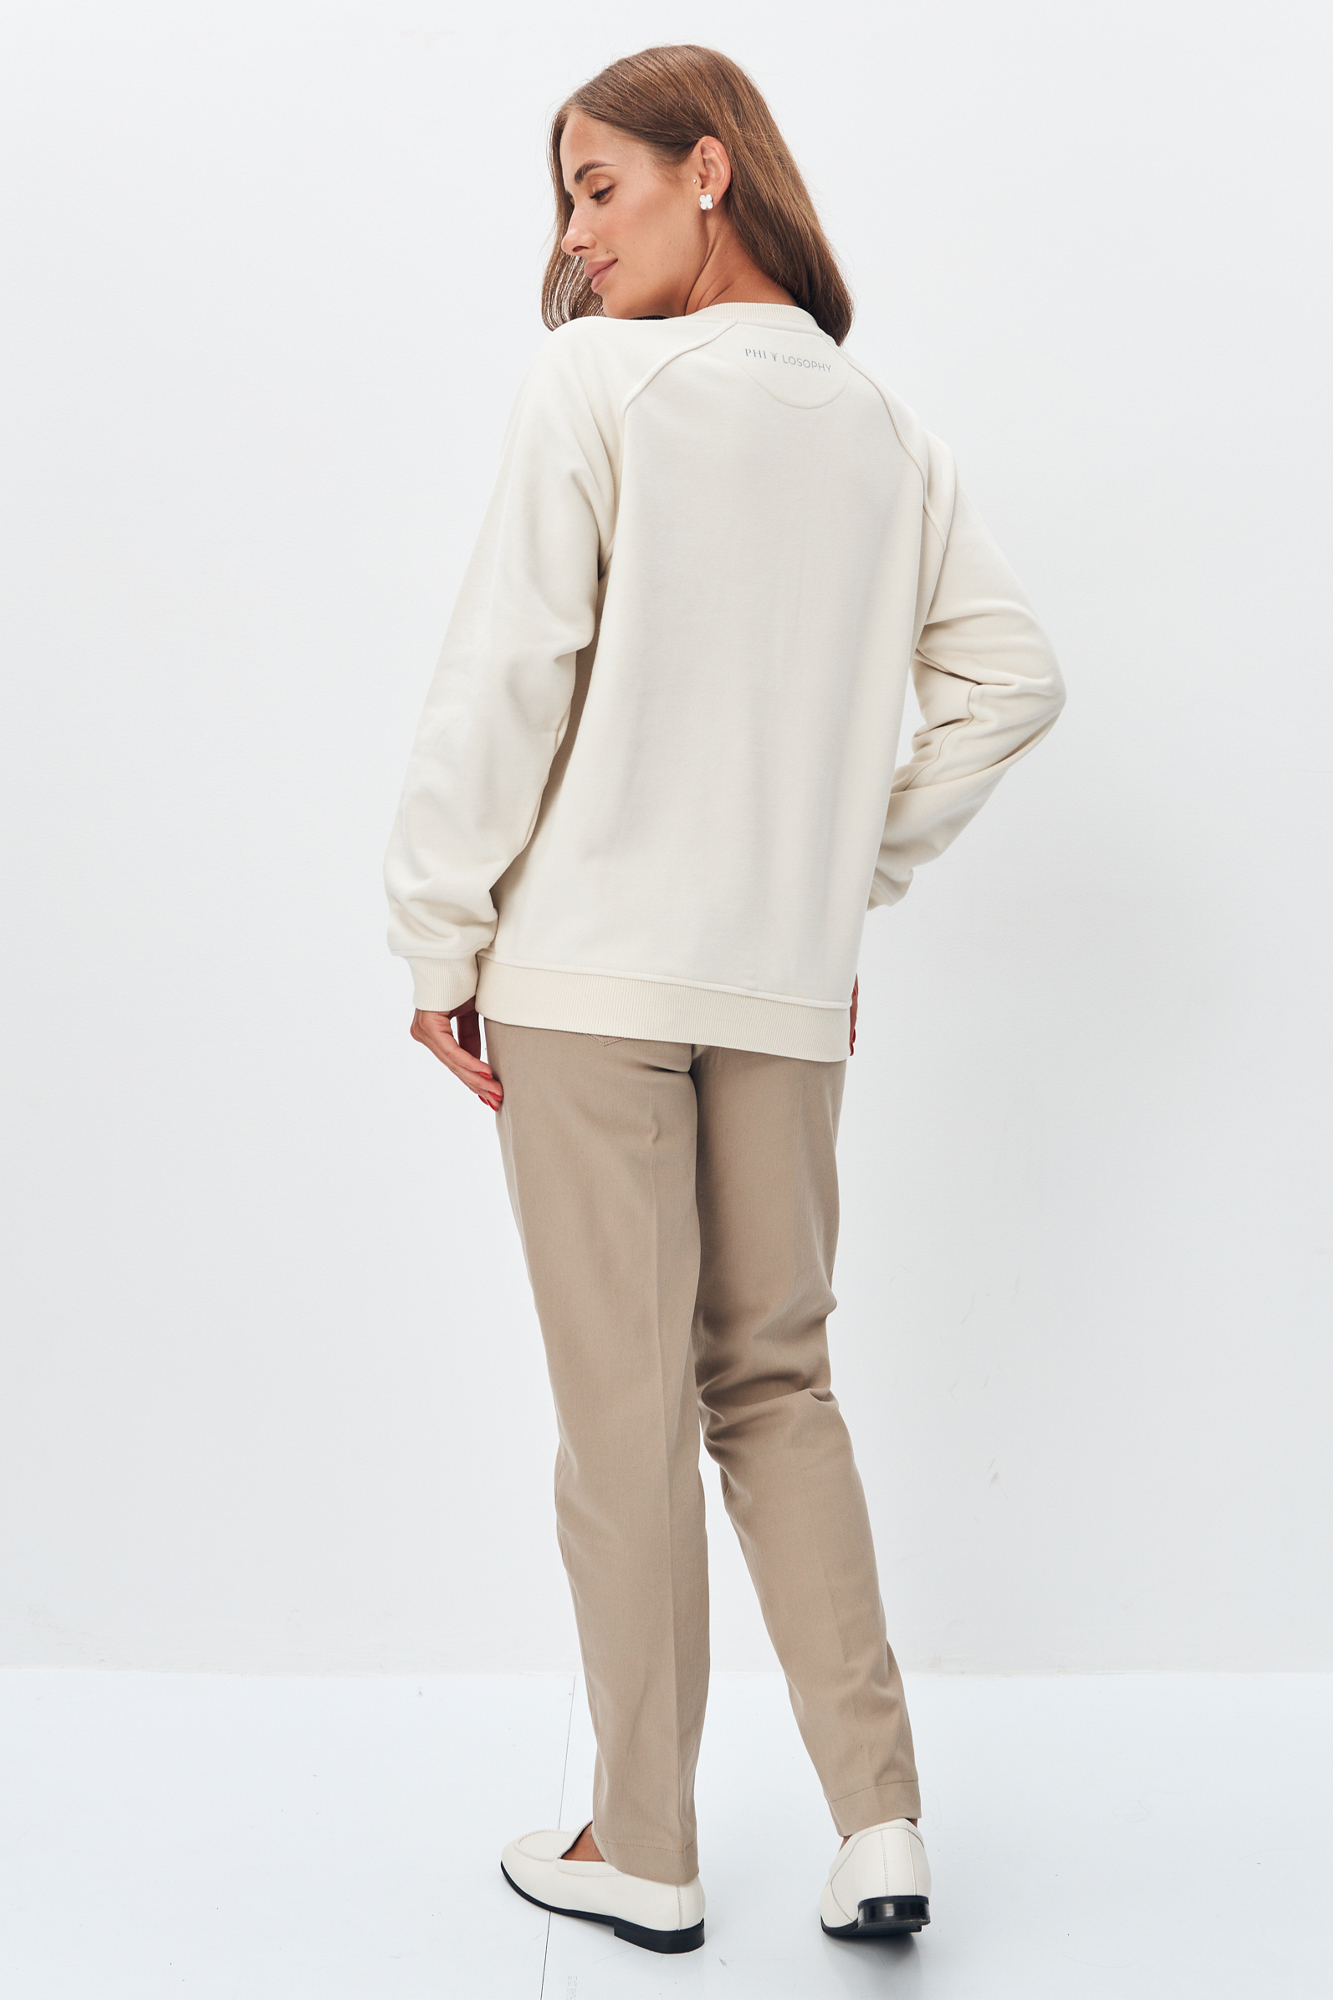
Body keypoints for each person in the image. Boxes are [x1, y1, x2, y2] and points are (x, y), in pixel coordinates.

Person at [384, 42, 1064, 1955]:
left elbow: (507, 670)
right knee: (777, 1388)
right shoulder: (888, 433)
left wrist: (435, 933)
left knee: (625, 1414)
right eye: (563, 203)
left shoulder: (595, 385)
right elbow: (1012, 680)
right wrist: (836, 872)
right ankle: (879, 1825)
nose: (571, 241)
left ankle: (643, 1844)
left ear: (709, 169)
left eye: (594, 188)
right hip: (779, 988)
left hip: (586, 975)